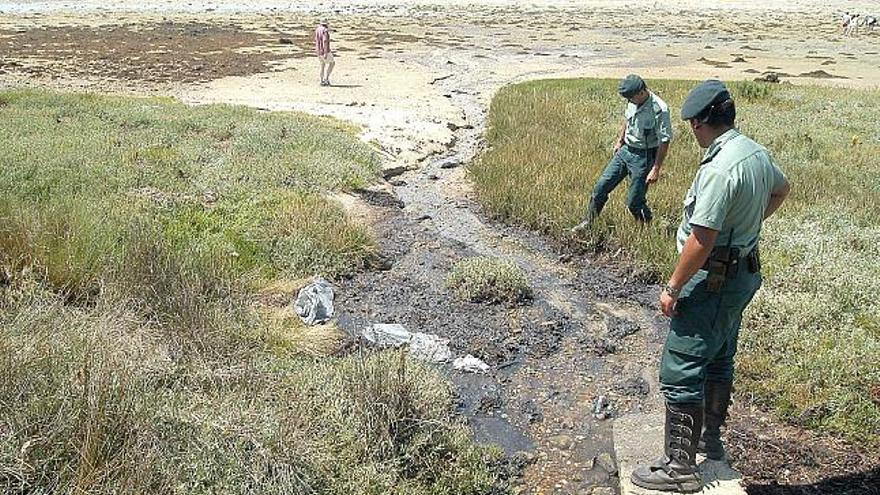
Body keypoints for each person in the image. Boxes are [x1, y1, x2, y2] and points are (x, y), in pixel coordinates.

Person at [630, 80, 790, 493]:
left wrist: (672, 287)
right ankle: (709, 441)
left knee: (681, 369)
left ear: (702, 122)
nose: (692, 132)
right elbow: (781, 188)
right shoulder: (753, 150)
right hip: (741, 275)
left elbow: (701, 240)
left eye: (693, 125)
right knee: (719, 356)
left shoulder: (720, 168)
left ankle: (680, 468)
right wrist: (748, 228)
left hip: (713, 280)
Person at [571, 74, 672, 231]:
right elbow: (627, 119)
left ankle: (647, 227)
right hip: (625, 151)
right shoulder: (632, 101)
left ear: (641, 92)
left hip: (644, 157)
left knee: (634, 202)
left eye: (631, 98)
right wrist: (620, 140)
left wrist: (656, 168)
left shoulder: (659, 109)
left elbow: (664, 141)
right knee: (600, 188)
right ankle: (588, 222)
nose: (629, 101)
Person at [314, 19, 334, 86]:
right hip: (324, 50)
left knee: (322, 65)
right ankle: (326, 79)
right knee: (332, 63)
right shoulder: (325, 31)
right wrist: (325, 52)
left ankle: (321, 80)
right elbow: (325, 41)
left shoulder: (317, 29)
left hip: (318, 50)